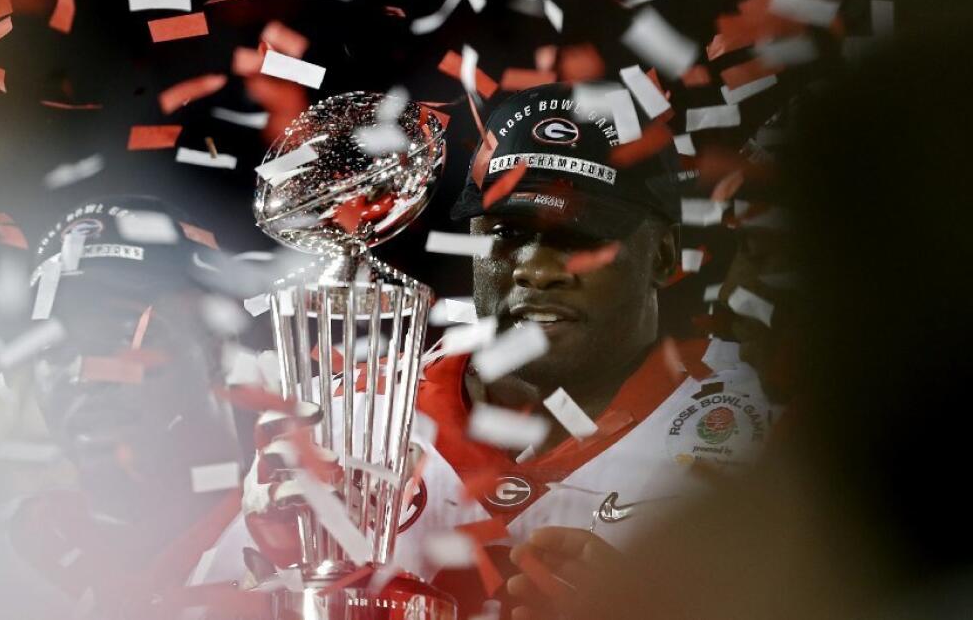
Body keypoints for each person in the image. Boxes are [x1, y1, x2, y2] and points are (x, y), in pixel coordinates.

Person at [198, 84, 774, 619]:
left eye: (582, 237)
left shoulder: (761, 434)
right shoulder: (352, 418)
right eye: (509, 232)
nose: (536, 269)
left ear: (665, 255)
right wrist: (275, 571)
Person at [7, 196, 244, 615]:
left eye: (123, 338)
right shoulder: (5, 552)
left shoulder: (307, 535)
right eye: (54, 349)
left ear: (213, 349)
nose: (84, 375)